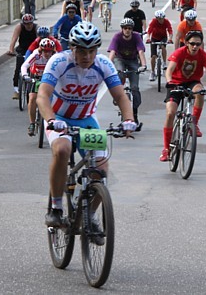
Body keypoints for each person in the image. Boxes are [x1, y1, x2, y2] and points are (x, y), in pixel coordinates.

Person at [37, 21, 136, 228]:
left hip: (86, 120)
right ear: (72, 48)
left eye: (91, 51)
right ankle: (56, 208)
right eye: (81, 51)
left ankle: (89, 215)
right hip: (59, 118)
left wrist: (128, 120)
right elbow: (42, 96)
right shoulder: (58, 62)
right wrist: (52, 120)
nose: (87, 56)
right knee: (62, 149)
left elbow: (120, 95)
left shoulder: (103, 64)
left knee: (101, 169)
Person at [160, 30, 206, 161]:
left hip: (192, 82)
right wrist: (169, 82)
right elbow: (169, 70)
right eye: (192, 43)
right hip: (175, 83)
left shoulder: (203, 55)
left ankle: (194, 123)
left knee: (200, 92)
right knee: (170, 114)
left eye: (198, 44)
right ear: (186, 43)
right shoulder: (179, 53)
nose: (195, 47)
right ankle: (166, 149)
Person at [107, 18, 147, 130]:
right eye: (125, 28)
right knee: (119, 72)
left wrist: (143, 65)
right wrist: (108, 66)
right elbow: (113, 53)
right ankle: (118, 94)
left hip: (133, 61)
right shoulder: (117, 37)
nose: (127, 30)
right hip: (120, 59)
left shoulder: (136, 37)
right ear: (122, 29)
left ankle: (135, 114)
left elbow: (140, 52)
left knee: (134, 88)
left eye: (129, 28)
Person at [21, 38, 56, 136]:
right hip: (35, 77)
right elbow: (24, 66)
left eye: (49, 51)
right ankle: (32, 123)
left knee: (53, 100)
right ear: (41, 50)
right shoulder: (36, 55)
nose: (47, 54)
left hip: (48, 79)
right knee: (32, 98)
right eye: (45, 51)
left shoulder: (54, 57)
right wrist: (25, 76)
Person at [7, 14, 38, 100]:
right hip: (22, 50)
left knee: (37, 69)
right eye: (26, 24)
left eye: (30, 23)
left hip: (33, 51)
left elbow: (40, 40)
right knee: (18, 69)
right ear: (23, 24)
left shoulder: (36, 28)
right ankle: (16, 90)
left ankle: (36, 87)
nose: (29, 26)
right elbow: (14, 39)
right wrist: (11, 50)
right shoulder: (19, 27)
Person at [145, 10, 174, 82]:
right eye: (158, 19)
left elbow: (170, 31)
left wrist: (170, 39)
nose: (160, 20)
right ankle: (152, 72)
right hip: (154, 38)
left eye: (161, 18)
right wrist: (148, 38)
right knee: (153, 56)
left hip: (163, 37)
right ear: (156, 18)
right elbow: (149, 31)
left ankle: (164, 63)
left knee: (163, 46)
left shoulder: (166, 22)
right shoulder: (154, 21)